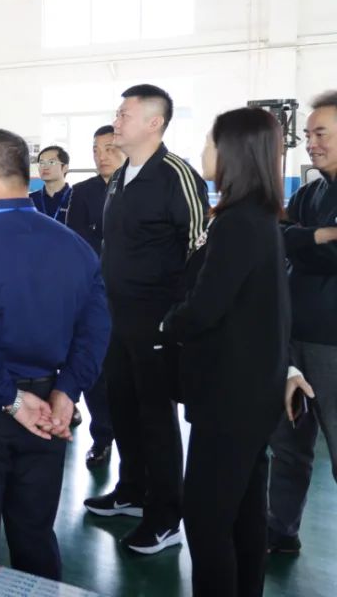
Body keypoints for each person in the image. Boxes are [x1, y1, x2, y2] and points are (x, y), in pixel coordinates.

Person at [0, 129, 109, 580]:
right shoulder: (75, 247)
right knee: (34, 534)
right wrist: (67, 392)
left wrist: (9, 398)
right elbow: (95, 330)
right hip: (48, 410)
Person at [160, 109, 289, 597]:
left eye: (210, 143)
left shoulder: (236, 223)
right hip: (254, 392)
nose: (202, 152)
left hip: (229, 397)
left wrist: (167, 323)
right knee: (244, 514)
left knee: (207, 517)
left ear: (234, 154)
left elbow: (205, 307)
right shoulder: (261, 217)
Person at [83, 84, 209, 555]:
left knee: (156, 417)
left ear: (154, 123)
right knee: (123, 407)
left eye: (124, 114)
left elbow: (199, 248)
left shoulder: (177, 175)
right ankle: (132, 491)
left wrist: (175, 315)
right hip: (116, 318)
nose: (116, 121)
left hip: (156, 321)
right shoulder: (121, 176)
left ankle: (166, 517)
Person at [268, 91, 337, 555]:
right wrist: (316, 237)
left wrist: (298, 241)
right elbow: (275, 238)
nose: (311, 143)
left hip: (332, 345)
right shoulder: (311, 192)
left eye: (321, 133)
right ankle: (281, 529)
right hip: (293, 338)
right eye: (308, 134)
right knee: (288, 443)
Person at [66, 125, 125, 468]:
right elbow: (76, 240)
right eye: (95, 150)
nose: (101, 156)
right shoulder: (82, 192)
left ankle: (131, 441)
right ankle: (102, 437)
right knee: (95, 367)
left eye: (109, 149)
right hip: (93, 292)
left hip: (131, 296)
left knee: (126, 370)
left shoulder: (137, 187)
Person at [30, 146, 72, 223]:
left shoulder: (77, 198)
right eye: (42, 163)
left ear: (65, 168)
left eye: (51, 162)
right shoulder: (30, 199)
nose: (45, 167)